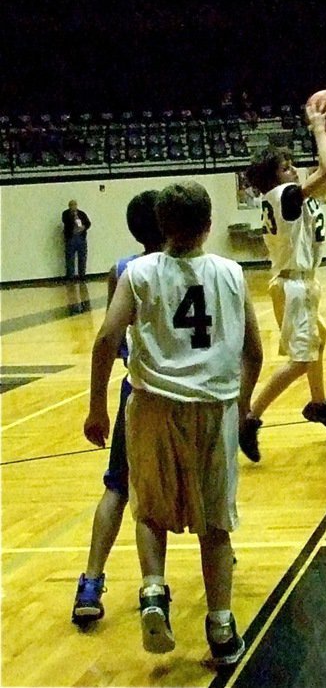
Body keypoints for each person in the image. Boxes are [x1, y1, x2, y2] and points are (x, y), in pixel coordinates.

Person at [83, 181, 263, 665]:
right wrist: (243, 406)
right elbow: (255, 350)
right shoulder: (231, 271)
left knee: (149, 510)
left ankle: (153, 593)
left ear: (161, 227)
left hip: (152, 405)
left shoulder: (139, 272)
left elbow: (105, 339)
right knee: (216, 524)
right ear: (208, 226)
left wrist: (97, 406)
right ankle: (221, 627)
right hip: (213, 407)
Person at [72, 190, 164, 627]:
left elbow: (108, 338)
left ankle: (91, 581)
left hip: (139, 391)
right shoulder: (200, 267)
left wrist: (96, 406)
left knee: (118, 487)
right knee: (199, 485)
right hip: (189, 394)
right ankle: (216, 560)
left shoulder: (123, 270)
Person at [240, 101, 326, 461]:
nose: (295, 169)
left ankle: (317, 404)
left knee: (319, 337)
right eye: (288, 167)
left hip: (302, 282)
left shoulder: (288, 196)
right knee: (300, 360)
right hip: (293, 284)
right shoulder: (283, 195)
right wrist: (317, 126)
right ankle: (250, 418)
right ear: (276, 178)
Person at [62, 199, 91, 280]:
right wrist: (73, 216)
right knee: (70, 257)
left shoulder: (82, 213)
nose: (73, 206)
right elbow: (66, 221)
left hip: (81, 238)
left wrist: (83, 227)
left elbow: (88, 223)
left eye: (75, 205)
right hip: (71, 238)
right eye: (72, 205)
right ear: (69, 206)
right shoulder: (66, 214)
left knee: (82, 257)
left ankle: (82, 275)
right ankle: (70, 276)